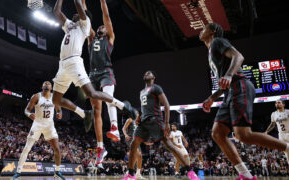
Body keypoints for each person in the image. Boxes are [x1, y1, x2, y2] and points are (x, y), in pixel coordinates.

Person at [199, 23, 289, 180]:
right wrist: (212, 98)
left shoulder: (217, 41)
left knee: (243, 135)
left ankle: (287, 147)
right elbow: (225, 81)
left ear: (212, 31)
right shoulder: (210, 51)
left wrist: (228, 75)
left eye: (204, 28)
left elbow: (238, 56)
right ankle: (245, 175)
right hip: (230, 91)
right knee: (218, 133)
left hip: (240, 86)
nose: (200, 31)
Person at [53, 0, 136, 136]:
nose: (75, 14)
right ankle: (85, 114)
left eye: (79, 13)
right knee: (57, 100)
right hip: (66, 65)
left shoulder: (88, 27)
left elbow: (81, 6)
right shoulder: (72, 26)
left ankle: (120, 113)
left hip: (87, 65)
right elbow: (57, 11)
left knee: (97, 94)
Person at [122, 71, 198, 180]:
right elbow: (144, 108)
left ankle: (190, 171)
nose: (147, 73)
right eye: (146, 72)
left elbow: (166, 105)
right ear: (144, 77)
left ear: (153, 77)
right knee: (134, 145)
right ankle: (130, 174)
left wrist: (167, 123)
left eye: (150, 73)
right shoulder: (141, 92)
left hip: (155, 120)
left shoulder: (156, 88)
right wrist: (139, 117)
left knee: (170, 146)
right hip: (143, 122)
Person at [78, 0, 122, 167]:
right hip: (92, 74)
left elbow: (105, 14)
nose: (101, 27)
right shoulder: (91, 36)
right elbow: (85, 15)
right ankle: (100, 147)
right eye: (101, 27)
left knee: (108, 97)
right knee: (96, 110)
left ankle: (114, 127)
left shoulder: (109, 36)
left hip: (106, 71)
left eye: (103, 27)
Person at [12, 81, 66, 180]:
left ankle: (57, 171)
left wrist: (59, 113)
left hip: (49, 125)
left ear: (51, 87)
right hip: (37, 124)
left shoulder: (54, 97)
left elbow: (59, 109)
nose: (46, 84)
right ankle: (18, 172)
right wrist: (29, 114)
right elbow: (26, 110)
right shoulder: (36, 96)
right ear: (42, 86)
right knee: (27, 148)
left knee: (57, 149)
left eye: (48, 84)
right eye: (45, 84)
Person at [265, 99, 289, 164]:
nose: (277, 104)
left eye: (279, 102)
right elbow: (272, 124)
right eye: (276, 103)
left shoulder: (287, 112)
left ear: (283, 104)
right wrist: (266, 132)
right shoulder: (273, 114)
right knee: (287, 154)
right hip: (281, 135)